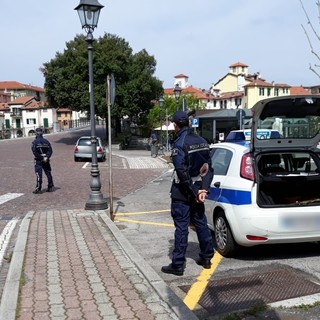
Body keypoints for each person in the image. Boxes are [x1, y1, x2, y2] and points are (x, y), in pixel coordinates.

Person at [161, 111, 214, 276]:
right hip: (198, 189)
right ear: (189, 124)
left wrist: (195, 190)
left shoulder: (179, 143)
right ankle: (206, 257)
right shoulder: (203, 141)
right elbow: (209, 169)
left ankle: (178, 264)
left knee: (182, 227)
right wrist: (203, 189)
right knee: (200, 223)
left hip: (183, 192)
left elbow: (181, 172)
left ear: (176, 125)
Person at [31, 127, 54, 194]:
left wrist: (41, 158)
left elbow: (34, 152)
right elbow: (50, 150)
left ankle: (38, 188)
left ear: (36, 133)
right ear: (42, 133)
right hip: (46, 160)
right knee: (48, 173)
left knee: (39, 174)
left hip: (38, 160)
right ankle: (50, 187)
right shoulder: (46, 141)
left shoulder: (34, 142)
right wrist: (46, 157)